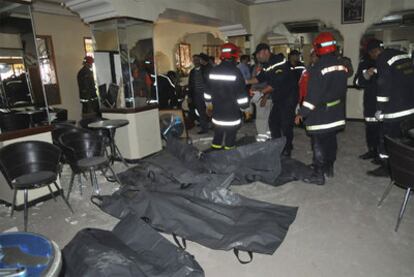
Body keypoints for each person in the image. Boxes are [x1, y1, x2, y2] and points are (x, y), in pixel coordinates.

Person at [295, 32, 348, 185]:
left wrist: (301, 113)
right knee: (331, 140)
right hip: (336, 113)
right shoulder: (341, 66)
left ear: (318, 49)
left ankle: (318, 173)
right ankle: (329, 167)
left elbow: (312, 98)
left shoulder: (317, 69)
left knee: (318, 142)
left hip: (320, 115)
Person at [366, 39, 414, 177]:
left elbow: (384, 86)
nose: (372, 58)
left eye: (371, 55)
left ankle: (387, 168)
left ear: (374, 52)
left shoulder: (382, 58)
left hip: (394, 110)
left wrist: (380, 109)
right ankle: (404, 163)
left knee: (386, 140)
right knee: (404, 139)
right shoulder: (403, 55)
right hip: (410, 107)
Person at [247, 43, 295, 156]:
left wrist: (261, 93)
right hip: (279, 98)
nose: (257, 57)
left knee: (285, 124)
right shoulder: (267, 65)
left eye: (258, 54)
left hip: (288, 97)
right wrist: (245, 81)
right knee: (273, 122)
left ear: (266, 52)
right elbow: (260, 78)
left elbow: (276, 83)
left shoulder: (278, 61)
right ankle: (278, 146)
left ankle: (287, 149)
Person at [204, 43, 249, 150]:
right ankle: (229, 157)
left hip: (217, 112)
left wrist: (209, 105)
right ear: (234, 56)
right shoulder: (236, 72)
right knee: (230, 138)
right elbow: (241, 94)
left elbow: (207, 92)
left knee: (217, 136)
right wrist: (246, 109)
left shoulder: (213, 71)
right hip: (231, 113)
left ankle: (215, 153)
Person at [353, 43, 380, 161]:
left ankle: (381, 154)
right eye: (372, 51)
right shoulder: (364, 63)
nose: (375, 53)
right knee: (371, 128)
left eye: (377, 50)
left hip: (385, 103)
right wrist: (367, 74)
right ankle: (372, 151)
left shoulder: (386, 62)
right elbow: (357, 83)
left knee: (383, 130)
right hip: (370, 102)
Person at [188, 54, 210, 134]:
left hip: (207, 94)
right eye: (194, 60)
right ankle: (204, 128)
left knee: (210, 110)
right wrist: (189, 96)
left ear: (200, 60)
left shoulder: (205, 69)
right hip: (197, 94)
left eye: (197, 59)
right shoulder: (192, 72)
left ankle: (215, 126)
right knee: (201, 112)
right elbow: (190, 84)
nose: (195, 61)